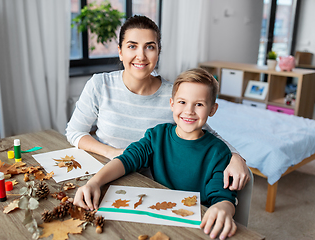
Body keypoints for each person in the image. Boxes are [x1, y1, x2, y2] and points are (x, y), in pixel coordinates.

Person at [65, 15, 249, 190]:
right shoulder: (100, 84)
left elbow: (207, 133)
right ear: (120, 52)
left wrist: (235, 155)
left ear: (158, 52)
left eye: (149, 47)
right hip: (103, 175)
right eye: (132, 46)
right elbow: (74, 132)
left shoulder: (175, 96)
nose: (141, 56)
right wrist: (111, 153)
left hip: (148, 185)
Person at [74, 68, 237, 240]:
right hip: (155, 218)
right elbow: (127, 160)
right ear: (172, 104)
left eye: (199, 104)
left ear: (212, 109)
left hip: (196, 227)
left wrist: (224, 207)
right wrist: (94, 183)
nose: (189, 111)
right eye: (182, 102)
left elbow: (222, 197)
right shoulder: (156, 136)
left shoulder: (219, 152)